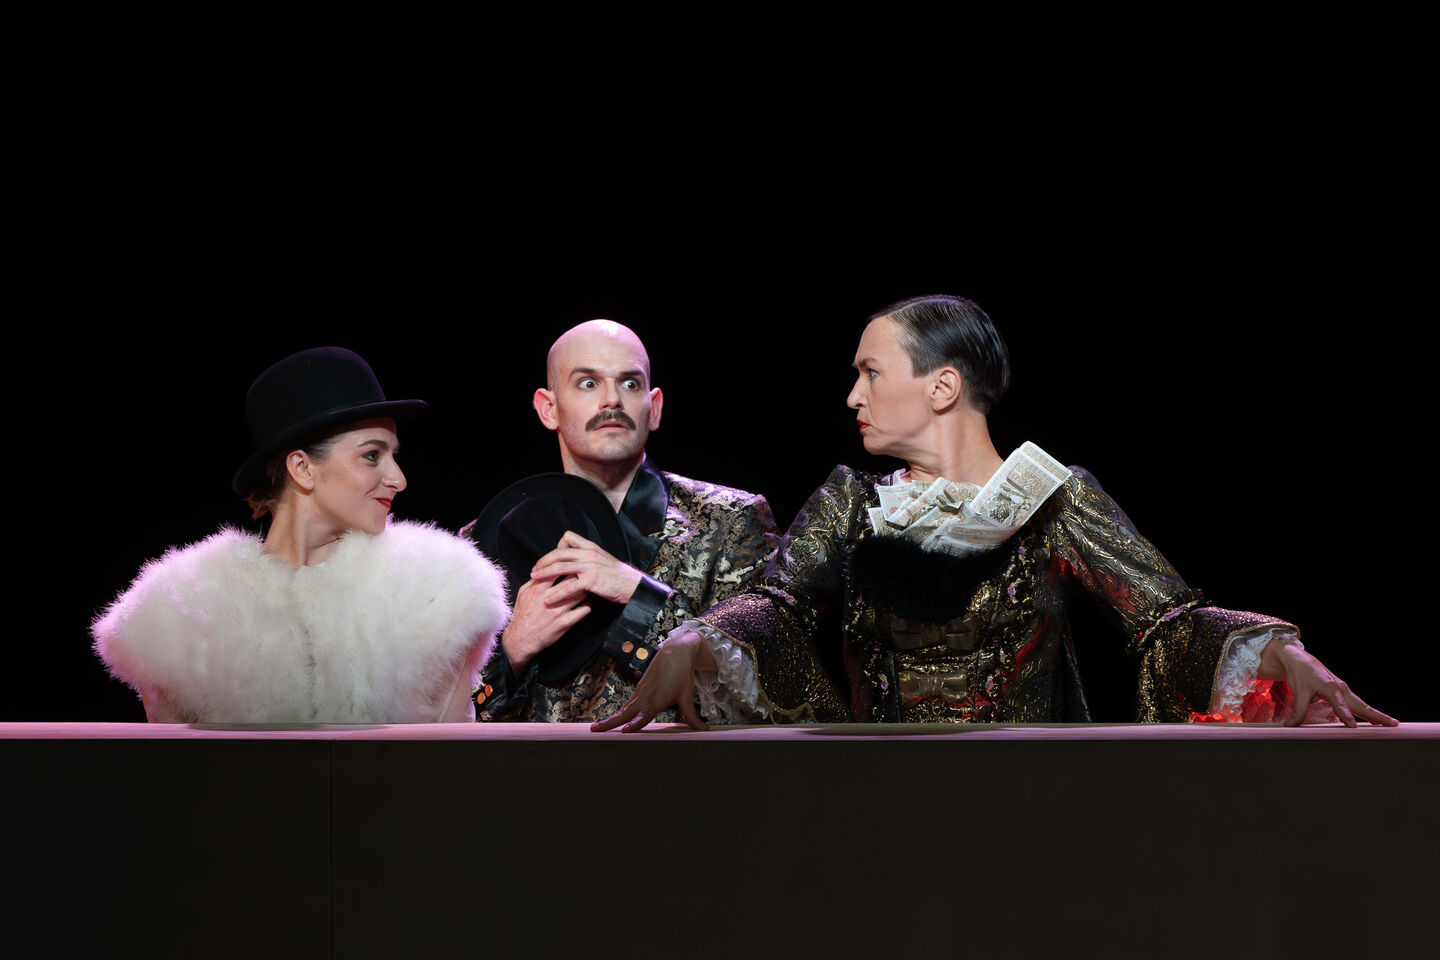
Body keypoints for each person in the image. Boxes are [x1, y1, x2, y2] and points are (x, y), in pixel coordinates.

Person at [595, 295, 1396, 732]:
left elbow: (1167, 620)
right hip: (871, 801)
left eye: (871, 372)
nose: (852, 396)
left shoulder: (1054, 497)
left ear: (942, 386)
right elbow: (776, 603)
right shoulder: (851, 501)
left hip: (1029, 801)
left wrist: (1271, 648)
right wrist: (700, 637)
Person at [92, 347, 509, 723]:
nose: (398, 479)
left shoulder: (435, 596)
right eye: (371, 456)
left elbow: (451, 766)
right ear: (302, 468)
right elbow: (178, 774)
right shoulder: (182, 614)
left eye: (393, 456)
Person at [464, 319, 777, 722]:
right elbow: (439, 717)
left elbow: (765, 686)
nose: (611, 400)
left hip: (680, 763)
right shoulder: (485, 543)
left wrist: (639, 593)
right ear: (548, 408)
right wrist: (511, 649)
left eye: (630, 383)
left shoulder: (730, 521)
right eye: (588, 383)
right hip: (537, 764)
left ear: (654, 408)